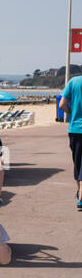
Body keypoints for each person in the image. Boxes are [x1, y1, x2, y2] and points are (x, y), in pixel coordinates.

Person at [57, 70, 82, 209]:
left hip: (76, 129)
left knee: (78, 163)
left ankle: (80, 194)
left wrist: (72, 113)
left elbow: (62, 105)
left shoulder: (74, 81)